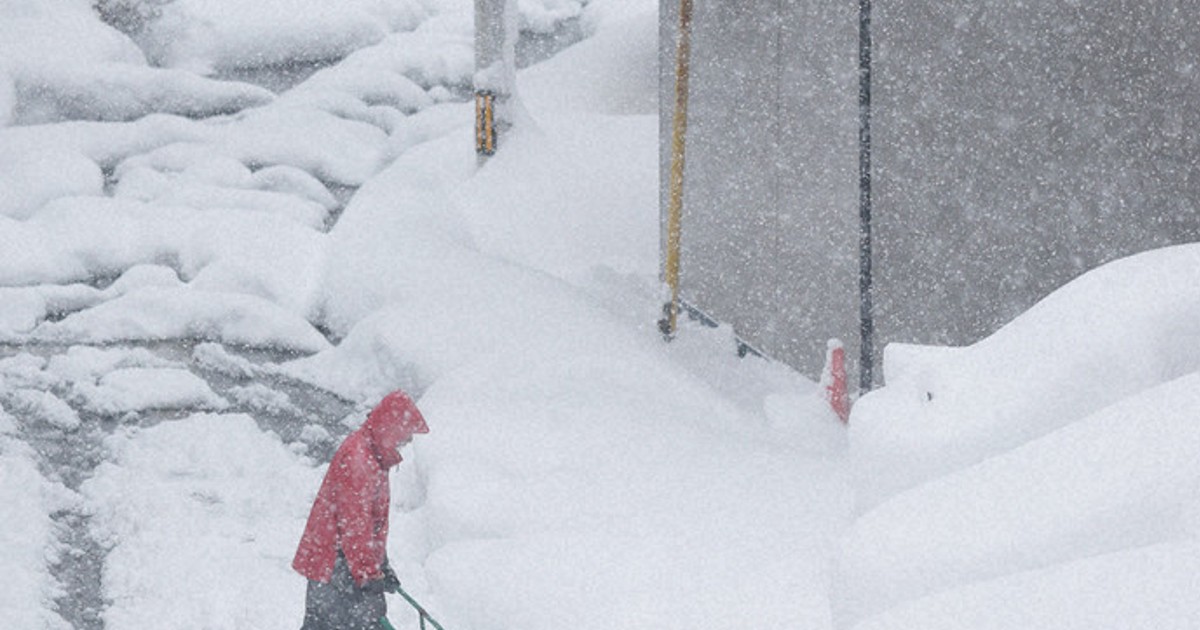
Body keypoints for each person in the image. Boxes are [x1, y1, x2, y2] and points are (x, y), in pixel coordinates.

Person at [293, 390, 429, 630]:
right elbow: (355, 525)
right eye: (404, 436)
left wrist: (381, 564)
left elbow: (369, 523)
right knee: (344, 623)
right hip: (334, 564)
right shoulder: (359, 459)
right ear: (392, 428)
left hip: (342, 560)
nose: (405, 442)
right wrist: (368, 574)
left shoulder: (374, 455)